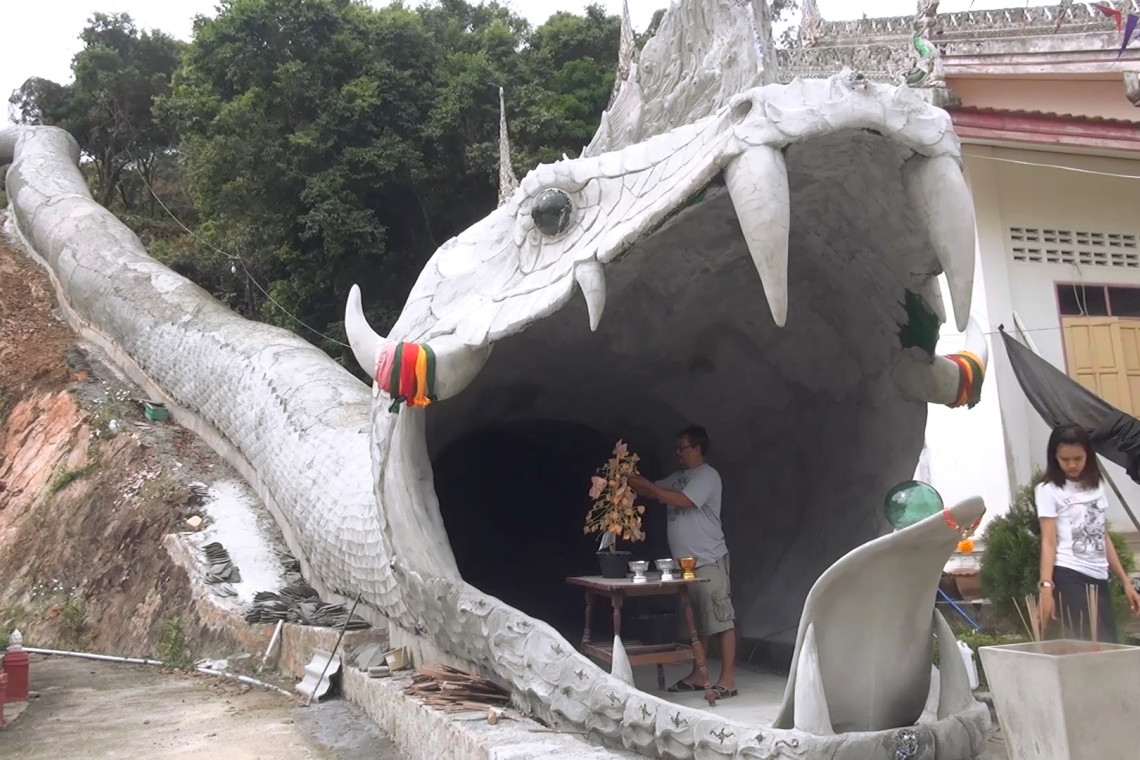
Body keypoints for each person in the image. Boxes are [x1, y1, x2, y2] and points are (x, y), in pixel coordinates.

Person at [629, 425, 737, 699]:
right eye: (676, 448)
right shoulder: (679, 478)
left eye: (682, 448)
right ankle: (699, 674)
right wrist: (628, 479)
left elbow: (684, 501)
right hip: (685, 565)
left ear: (698, 448)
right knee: (697, 622)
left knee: (720, 620)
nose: (677, 453)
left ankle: (728, 680)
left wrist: (651, 487)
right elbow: (653, 491)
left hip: (708, 559)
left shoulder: (708, 476)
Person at [1036, 423, 1140, 641]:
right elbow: (1048, 541)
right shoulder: (1048, 491)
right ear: (1055, 457)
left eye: (1078, 458)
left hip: (1099, 574)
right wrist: (1046, 586)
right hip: (1069, 573)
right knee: (1091, 641)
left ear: (1088, 456)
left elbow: (1101, 533)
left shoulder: (1096, 485)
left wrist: (1125, 581)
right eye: (1065, 459)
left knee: (1110, 643)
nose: (1072, 465)